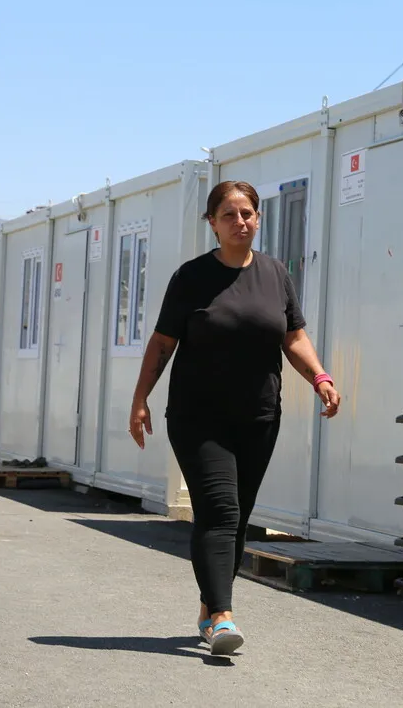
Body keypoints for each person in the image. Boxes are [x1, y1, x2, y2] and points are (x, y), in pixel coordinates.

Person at [128, 180, 341, 656]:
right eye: (229, 214)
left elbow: (294, 338)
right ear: (212, 223)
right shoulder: (191, 278)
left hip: (258, 416)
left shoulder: (276, 275)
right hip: (198, 416)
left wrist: (320, 376)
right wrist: (141, 399)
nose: (240, 222)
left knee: (237, 516)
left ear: (258, 218)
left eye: (247, 213)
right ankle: (223, 618)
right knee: (220, 509)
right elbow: (163, 343)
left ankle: (209, 605)